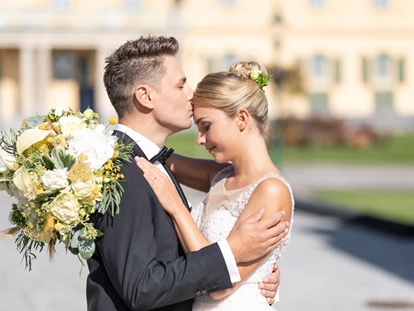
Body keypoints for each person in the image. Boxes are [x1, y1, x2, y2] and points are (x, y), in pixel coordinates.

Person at [86, 36, 290, 311]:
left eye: (207, 126)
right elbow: (141, 286)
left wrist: (257, 275)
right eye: (181, 85)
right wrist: (234, 251)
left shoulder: (149, 161)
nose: (191, 93)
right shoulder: (122, 170)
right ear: (145, 96)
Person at [135, 61, 294, 310]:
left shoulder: (272, 191)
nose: (200, 140)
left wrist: (176, 207)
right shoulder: (220, 176)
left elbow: (219, 285)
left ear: (241, 118)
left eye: (206, 126)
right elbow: (152, 156)